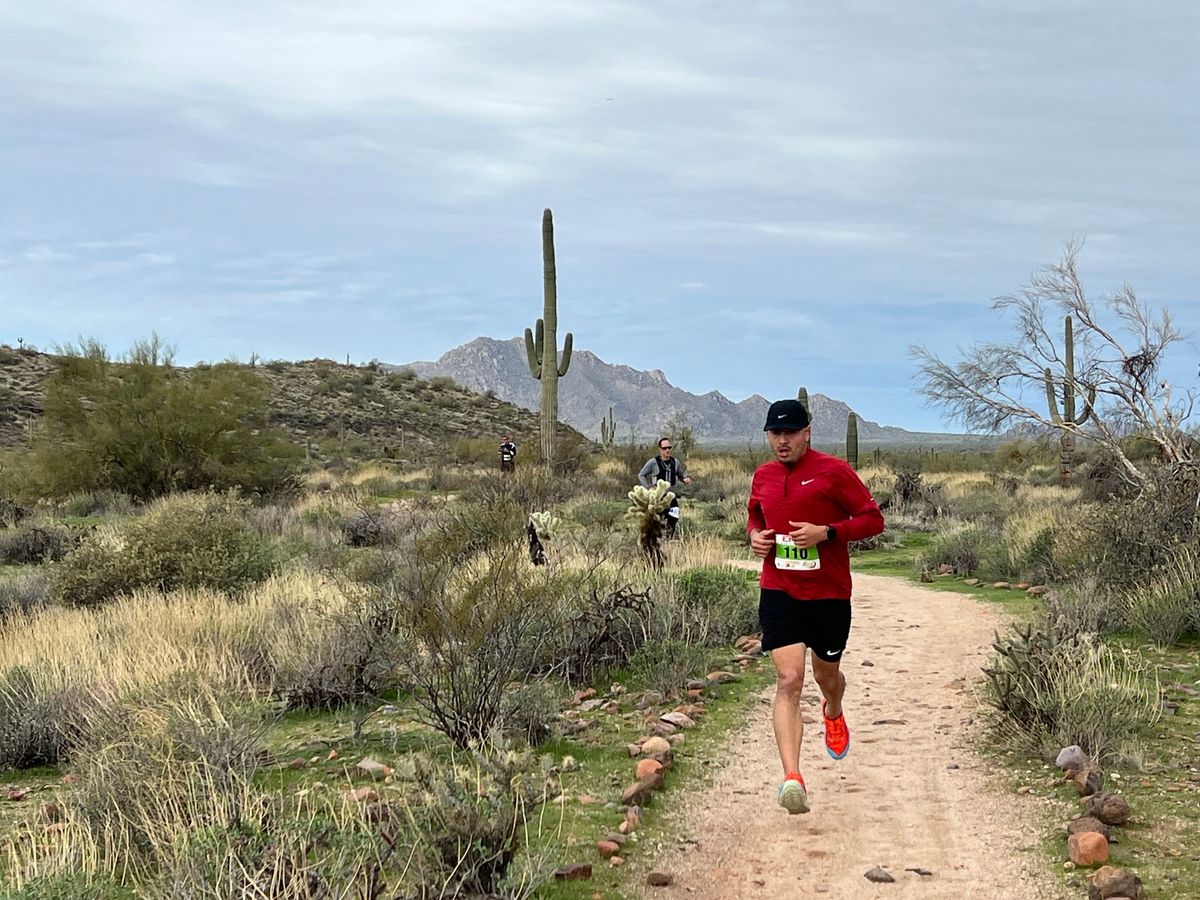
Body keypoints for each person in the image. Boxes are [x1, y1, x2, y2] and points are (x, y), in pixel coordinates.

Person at [747, 399, 884, 815]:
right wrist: (756, 537)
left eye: (790, 432)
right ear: (768, 436)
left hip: (827, 596)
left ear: (807, 432)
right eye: (775, 433)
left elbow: (872, 519)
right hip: (779, 589)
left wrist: (827, 532)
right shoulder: (764, 476)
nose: (782, 440)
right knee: (789, 680)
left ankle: (834, 709)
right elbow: (755, 516)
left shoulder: (834, 471)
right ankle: (793, 778)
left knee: (827, 677)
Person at [638, 436, 691, 537]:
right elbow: (641, 475)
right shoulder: (653, 462)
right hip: (657, 497)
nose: (667, 450)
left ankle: (669, 536)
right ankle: (657, 539)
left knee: (674, 515)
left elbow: (680, 475)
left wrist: (684, 479)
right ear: (659, 449)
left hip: (670, 496)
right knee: (658, 519)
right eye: (665, 448)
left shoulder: (675, 462)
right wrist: (648, 487)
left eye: (669, 448)